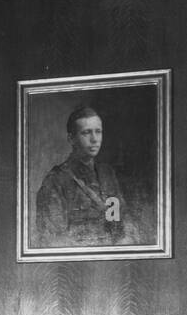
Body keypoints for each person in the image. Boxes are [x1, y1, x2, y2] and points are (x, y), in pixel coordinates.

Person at [34, 106, 132, 248]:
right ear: (71, 139)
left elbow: (119, 221)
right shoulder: (55, 180)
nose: (94, 139)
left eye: (98, 132)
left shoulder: (107, 174)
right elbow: (52, 238)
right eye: (86, 133)